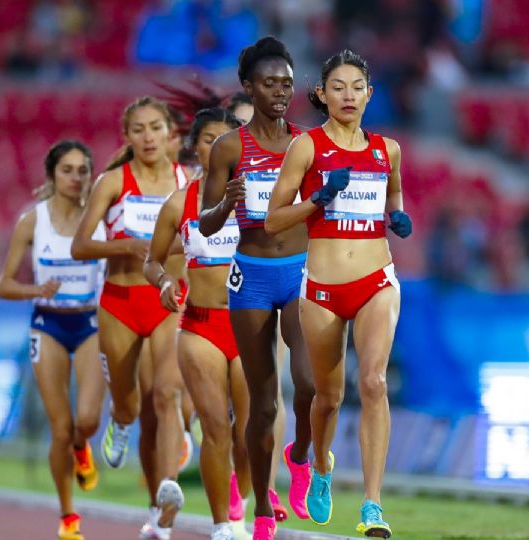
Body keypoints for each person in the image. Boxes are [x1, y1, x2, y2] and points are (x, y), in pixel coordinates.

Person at [265, 49, 413, 539]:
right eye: (338, 87)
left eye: (357, 87)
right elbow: (271, 219)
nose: (348, 96)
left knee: (373, 383)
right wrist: (316, 201)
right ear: (322, 95)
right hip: (323, 289)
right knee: (327, 398)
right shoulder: (305, 148)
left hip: (376, 281)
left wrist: (397, 216)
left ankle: (373, 505)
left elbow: (392, 197)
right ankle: (322, 469)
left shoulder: (387, 149)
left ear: (369, 95)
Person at [200, 36, 315, 540]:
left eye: (287, 84)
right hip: (250, 275)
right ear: (248, 86)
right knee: (263, 404)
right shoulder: (230, 147)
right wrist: (227, 204)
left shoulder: (306, 144)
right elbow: (205, 225)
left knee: (308, 384)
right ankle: (263, 512)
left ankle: (301, 455)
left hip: (297, 271)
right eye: (269, 83)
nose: (280, 92)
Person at [71, 97, 189, 539]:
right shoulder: (112, 182)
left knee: (166, 395)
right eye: (138, 129)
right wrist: (127, 246)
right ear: (128, 137)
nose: (147, 137)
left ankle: (165, 500)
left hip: (166, 301)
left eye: (155, 127)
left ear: (168, 133)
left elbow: (197, 238)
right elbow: (80, 246)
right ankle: (119, 422)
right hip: (119, 303)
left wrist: (166, 252)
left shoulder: (185, 181)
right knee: (129, 402)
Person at [0, 140, 107, 540]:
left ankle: (83, 445)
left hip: (91, 323)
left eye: (82, 170)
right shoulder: (32, 220)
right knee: (59, 427)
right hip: (49, 325)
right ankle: (68, 515)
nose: (75, 178)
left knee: (88, 420)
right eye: (67, 170)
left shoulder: (101, 219)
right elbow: (3, 284)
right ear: (52, 175)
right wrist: (36, 291)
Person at [145, 107, 247, 540]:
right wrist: (166, 280)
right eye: (208, 139)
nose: (216, 147)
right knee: (216, 426)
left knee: (252, 427)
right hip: (201, 325)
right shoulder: (179, 201)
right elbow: (152, 261)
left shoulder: (257, 197)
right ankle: (222, 524)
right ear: (196, 147)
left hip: (249, 325)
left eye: (225, 139)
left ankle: (249, 509)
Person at [224, 86, 292, 528]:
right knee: (234, 409)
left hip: (274, 281)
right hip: (223, 297)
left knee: (270, 392)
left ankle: (264, 484)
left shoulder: (286, 166)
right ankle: (235, 474)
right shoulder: (216, 173)